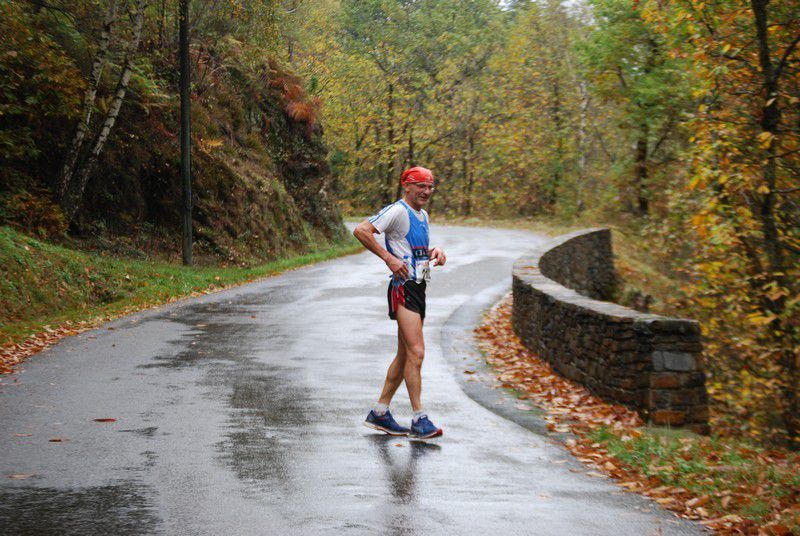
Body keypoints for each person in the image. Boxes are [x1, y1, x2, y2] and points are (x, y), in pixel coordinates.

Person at [353, 166, 446, 439]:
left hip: (419, 287)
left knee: (405, 354)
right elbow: (361, 230)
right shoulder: (398, 210)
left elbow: (413, 250)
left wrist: (434, 252)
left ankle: (380, 413)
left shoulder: (423, 215)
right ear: (407, 185)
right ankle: (419, 419)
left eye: (430, 187)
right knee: (417, 352)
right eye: (421, 186)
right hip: (403, 288)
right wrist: (388, 258)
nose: (426, 191)